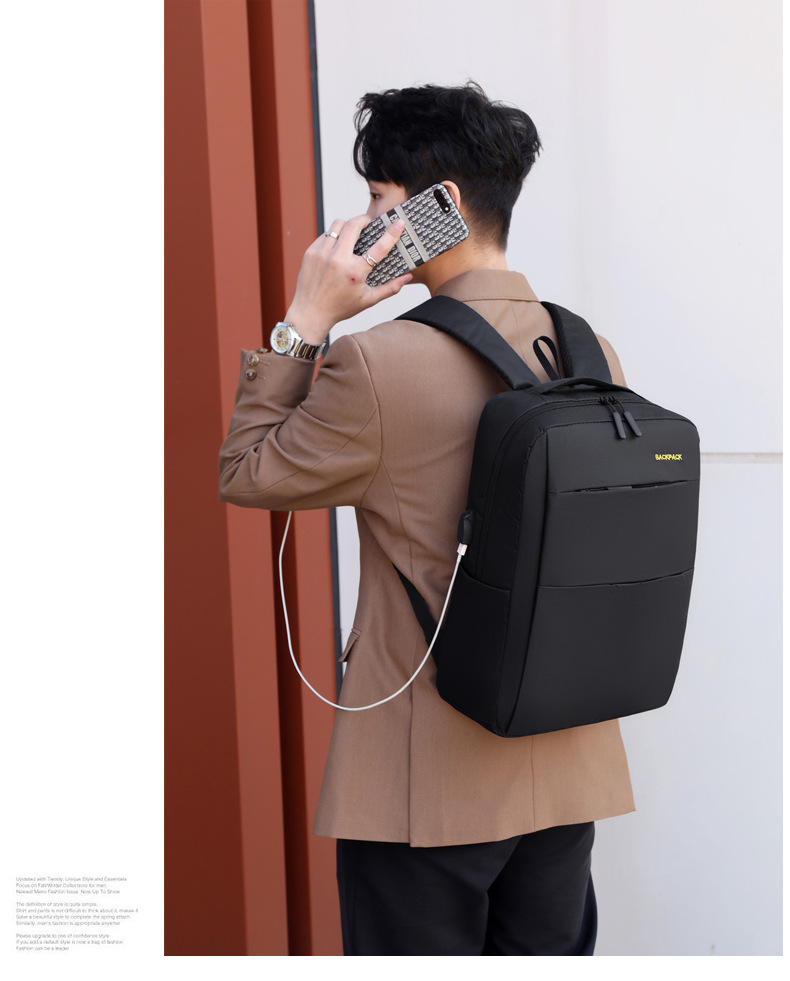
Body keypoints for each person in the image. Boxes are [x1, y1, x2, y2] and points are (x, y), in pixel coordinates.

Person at [218, 82, 634, 956]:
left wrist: (306, 321)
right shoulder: (590, 349)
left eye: (378, 200)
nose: (360, 225)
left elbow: (249, 472)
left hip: (426, 785)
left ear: (437, 206)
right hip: (568, 767)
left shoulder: (377, 363)